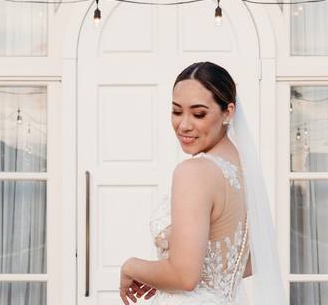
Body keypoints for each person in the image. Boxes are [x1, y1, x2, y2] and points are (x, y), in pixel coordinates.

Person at [118, 61, 287, 305]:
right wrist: (163, 276)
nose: (184, 125)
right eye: (177, 111)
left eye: (198, 114)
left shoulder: (194, 172)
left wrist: (131, 267)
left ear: (228, 112)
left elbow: (185, 276)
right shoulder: (243, 169)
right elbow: (248, 262)